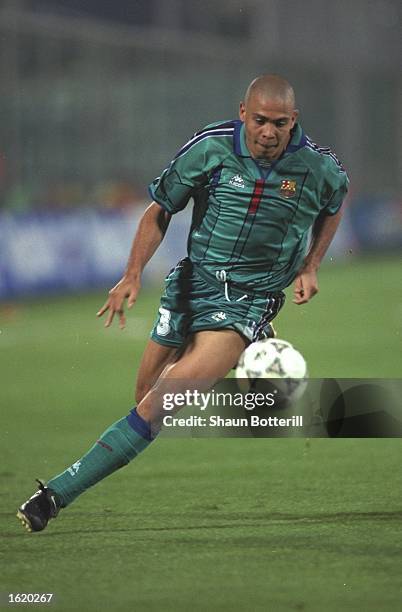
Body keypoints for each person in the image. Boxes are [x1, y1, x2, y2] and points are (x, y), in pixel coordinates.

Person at [17, 74, 349, 532]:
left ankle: (54, 496)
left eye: (278, 123)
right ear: (242, 113)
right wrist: (131, 273)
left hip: (249, 299)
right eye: (259, 121)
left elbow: (336, 200)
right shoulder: (210, 149)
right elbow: (159, 210)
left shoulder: (317, 168)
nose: (268, 133)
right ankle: (240, 356)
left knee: (162, 403)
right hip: (193, 283)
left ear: (293, 121)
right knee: (146, 397)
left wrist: (311, 263)